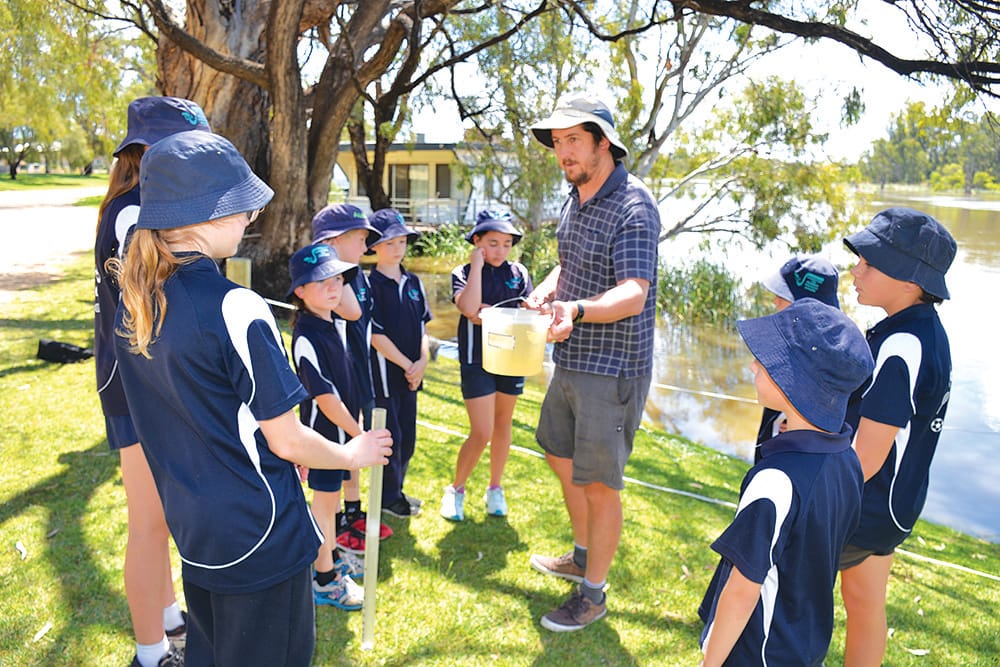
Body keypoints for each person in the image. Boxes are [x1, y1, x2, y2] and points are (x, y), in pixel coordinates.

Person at [112, 130, 392, 667]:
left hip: (196, 536)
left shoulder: (136, 305)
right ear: (206, 215)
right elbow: (286, 438)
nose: (249, 220)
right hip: (262, 536)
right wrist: (352, 454)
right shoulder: (236, 306)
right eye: (241, 207)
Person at [524, 93, 660, 631]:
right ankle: (583, 554)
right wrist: (545, 290)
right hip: (572, 356)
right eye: (558, 143)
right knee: (557, 452)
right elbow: (568, 264)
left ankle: (594, 595)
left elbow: (633, 292)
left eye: (574, 140)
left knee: (601, 484)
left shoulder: (633, 205)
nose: (563, 152)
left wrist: (576, 310)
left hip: (615, 368)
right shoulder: (575, 197)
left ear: (605, 142)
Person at [95, 95, 209, 667]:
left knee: (161, 514)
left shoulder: (150, 203)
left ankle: (169, 623)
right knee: (149, 522)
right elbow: (154, 298)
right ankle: (149, 654)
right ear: (146, 149)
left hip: (153, 383)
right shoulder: (135, 210)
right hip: (136, 390)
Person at [698, 298, 873, 666]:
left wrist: (710, 663)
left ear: (793, 381)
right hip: (804, 645)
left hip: (756, 654)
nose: (752, 364)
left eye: (766, 361)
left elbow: (743, 590)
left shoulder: (774, 481)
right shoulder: (847, 460)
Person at [838, 207, 956, 666]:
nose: (856, 269)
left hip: (859, 504)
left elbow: (866, 457)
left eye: (870, 263)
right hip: (894, 507)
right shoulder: (926, 333)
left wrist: (811, 493)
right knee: (865, 605)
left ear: (909, 281)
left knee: (787, 598)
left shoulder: (901, 345)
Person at [287, 243, 367, 610]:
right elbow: (326, 398)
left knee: (330, 502)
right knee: (323, 505)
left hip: (341, 433)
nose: (334, 288)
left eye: (338, 279)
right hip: (325, 437)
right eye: (322, 282)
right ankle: (323, 580)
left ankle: (331, 560)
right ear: (300, 292)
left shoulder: (331, 321)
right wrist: (357, 435)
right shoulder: (306, 334)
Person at [440, 210, 533, 522]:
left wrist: (491, 313)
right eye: (492, 243)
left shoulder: (519, 272)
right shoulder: (463, 272)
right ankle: (456, 489)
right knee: (481, 431)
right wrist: (477, 266)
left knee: (503, 425)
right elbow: (469, 309)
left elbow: (525, 310)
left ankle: (495, 488)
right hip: (476, 359)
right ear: (477, 242)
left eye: (507, 243)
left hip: (511, 358)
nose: (501, 250)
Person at [311, 204, 393, 551]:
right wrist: (331, 261)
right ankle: (336, 527)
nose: (365, 248)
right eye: (359, 239)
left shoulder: (358, 276)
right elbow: (351, 310)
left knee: (357, 443)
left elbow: (364, 317)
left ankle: (353, 510)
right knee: (344, 443)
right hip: (336, 381)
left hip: (362, 373)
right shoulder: (326, 280)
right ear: (332, 241)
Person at [366, 208, 432, 518]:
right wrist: (408, 365)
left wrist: (423, 360)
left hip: (412, 376)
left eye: (402, 242)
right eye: (389, 243)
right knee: (390, 438)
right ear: (374, 246)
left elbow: (423, 326)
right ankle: (387, 498)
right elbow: (375, 336)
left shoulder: (415, 281)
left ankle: (398, 491)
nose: (397, 249)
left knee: (408, 438)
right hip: (384, 377)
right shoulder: (369, 287)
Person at [754, 254, 840, 458]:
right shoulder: (791, 343)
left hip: (794, 462)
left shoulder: (831, 358)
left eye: (783, 297)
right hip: (772, 450)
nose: (775, 301)